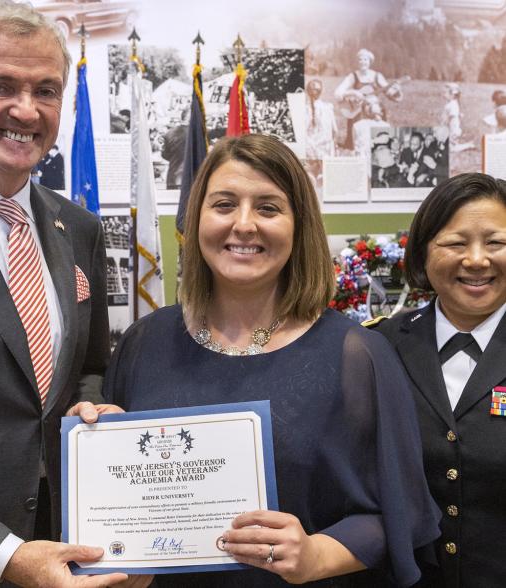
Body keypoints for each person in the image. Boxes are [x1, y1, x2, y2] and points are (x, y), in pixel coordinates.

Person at [104, 133, 440, 587]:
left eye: (268, 208)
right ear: (196, 218)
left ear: (298, 226)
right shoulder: (144, 343)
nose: (244, 225)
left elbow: (403, 512)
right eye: (224, 204)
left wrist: (317, 554)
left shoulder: (357, 353)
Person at [0, 2, 151, 586]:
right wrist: (2, 556)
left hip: (64, 552)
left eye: (46, 90)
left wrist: (90, 408)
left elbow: (89, 368)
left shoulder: (79, 229)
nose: (26, 110)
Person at [374, 173, 506, 587]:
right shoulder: (378, 346)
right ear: (423, 252)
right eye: (455, 243)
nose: (477, 259)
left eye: (496, 242)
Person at [334, 48, 400, 150]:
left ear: (370, 61)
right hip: (358, 112)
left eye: (365, 59)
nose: (363, 62)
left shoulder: (377, 76)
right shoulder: (353, 76)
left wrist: (396, 91)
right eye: (360, 59)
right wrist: (353, 92)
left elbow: (391, 94)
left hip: (374, 111)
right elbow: (337, 93)